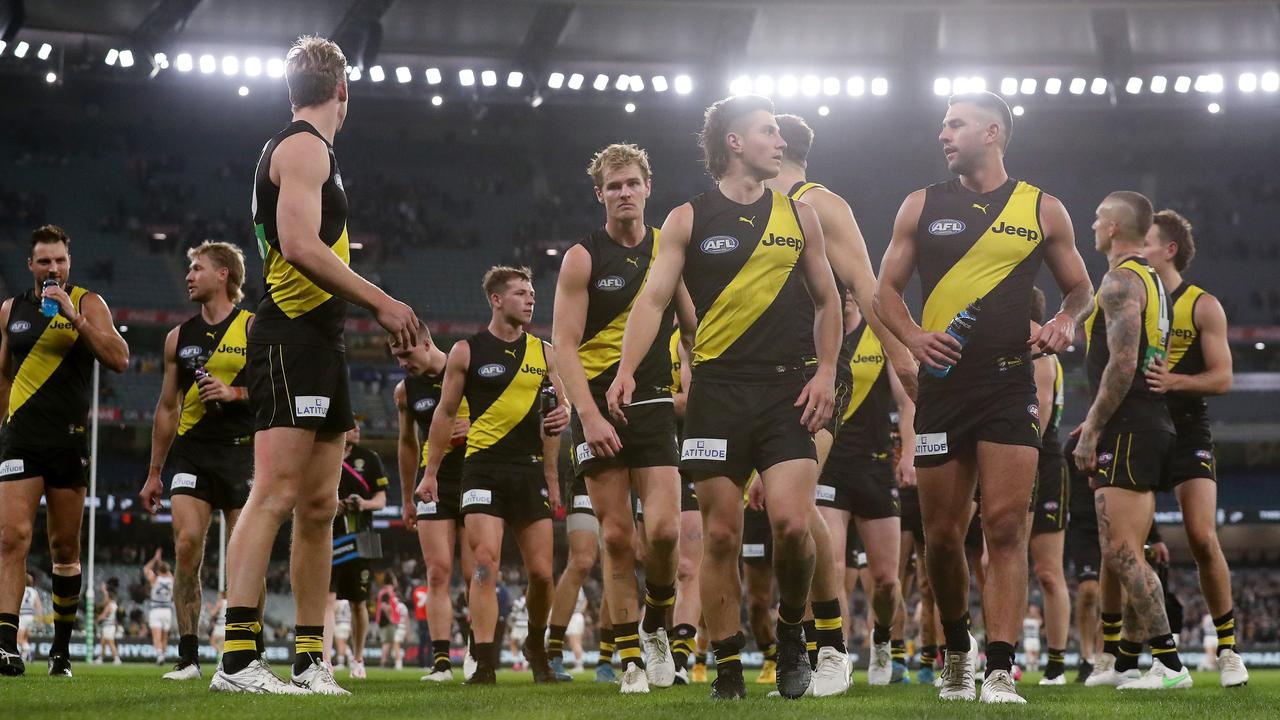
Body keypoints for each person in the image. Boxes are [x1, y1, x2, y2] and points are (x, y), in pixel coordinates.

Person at [609, 94, 842, 700]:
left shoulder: (801, 216)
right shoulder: (688, 218)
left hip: (787, 390)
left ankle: (793, 638)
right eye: (767, 131)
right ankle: (730, 666)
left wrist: (825, 372)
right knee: (719, 536)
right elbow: (653, 301)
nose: (779, 141)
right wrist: (628, 368)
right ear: (734, 142)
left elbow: (828, 301)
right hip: (716, 391)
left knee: (792, 526)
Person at [212, 35, 419, 696]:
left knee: (320, 506)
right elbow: (299, 244)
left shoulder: (311, 151)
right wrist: (383, 301)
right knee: (272, 491)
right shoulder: (302, 147)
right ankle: (238, 659)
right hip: (289, 338)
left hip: (320, 342)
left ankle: (309, 659)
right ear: (343, 92)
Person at [874, 91, 1093, 704]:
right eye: (943, 124)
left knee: (1003, 527)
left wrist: (1068, 321)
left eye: (955, 124)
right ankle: (956, 650)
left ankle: (999, 668)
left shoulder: (1043, 209)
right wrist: (914, 336)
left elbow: (1080, 287)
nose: (943, 134)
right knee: (943, 538)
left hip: (1008, 383)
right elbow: (883, 293)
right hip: (943, 388)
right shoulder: (919, 205)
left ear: (992, 132)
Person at [765, 114, 919, 696]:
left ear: (776, 146)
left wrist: (903, 358)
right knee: (756, 524)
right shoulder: (739, 208)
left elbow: (866, 283)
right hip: (751, 378)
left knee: (799, 511)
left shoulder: (819, 203)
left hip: (816, 375)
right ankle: (730, 657)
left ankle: (828, 646)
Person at [552, 143, 696, 693]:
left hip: (656, 404)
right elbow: (563, 344)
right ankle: (632, 659)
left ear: (647, 188)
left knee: (662, 533)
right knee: (616, 539)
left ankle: (657, 628)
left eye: (632, 183)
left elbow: (690, 324)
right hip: (597, 410)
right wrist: (587, 416)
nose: (624, 193)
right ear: (600, 195)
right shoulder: (581, 257)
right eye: (614, 186)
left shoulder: (669, 250)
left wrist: (693, 377)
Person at [418, 266, 570, 684]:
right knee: (484, 563)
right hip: (482, 469)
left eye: (532, 292)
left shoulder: (546, 353)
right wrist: (430, 474)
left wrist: (556, 468)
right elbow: (444, 415)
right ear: (497, 300)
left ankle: (535, 645)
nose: (531, 298)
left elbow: (558, 412)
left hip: (530, 469)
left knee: (542, 574)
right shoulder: (466, 351)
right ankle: (483, 662)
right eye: (522, 292)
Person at [0, 224, 130, 678]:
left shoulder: (89, 302)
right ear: (30, 265)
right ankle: (5, 645)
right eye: (44, 260)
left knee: (64, 547)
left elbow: (119, 357)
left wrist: (74, 317)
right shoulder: (10, 310)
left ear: (68, 263)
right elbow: (3, 376)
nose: (52, 267)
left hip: (68, 441)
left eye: (59, 260)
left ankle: (60, 650)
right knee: (11, 537)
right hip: (20, 438)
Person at [1073, 191, 1189, 691]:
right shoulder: (1153, 281)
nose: (1092, 224)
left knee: (1122, 551)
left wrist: (1094, 425)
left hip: (1128, 425)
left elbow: (1123, 364)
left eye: (1099, 217)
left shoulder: (1120, 278)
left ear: (1116, 227)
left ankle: (1169, 664)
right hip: (1147, 421)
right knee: (1122, 547)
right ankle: (1124, 662)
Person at [139, 240, 259, 680]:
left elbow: (272, 390)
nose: (189, 275)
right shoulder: (178, 337)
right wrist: (154, 472)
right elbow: (167, 408)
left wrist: (234, 393)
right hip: (191, 453)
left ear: (224, 274)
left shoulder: (252, 327)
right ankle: (188, 657)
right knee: (187, 544)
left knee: (245, 556)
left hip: (242, 453)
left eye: (197, 268)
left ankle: (250, 652)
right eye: (188, 269)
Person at [1140, 209, 1247, 688]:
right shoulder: (1132, 296)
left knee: (1202, 537)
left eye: (1147, 241)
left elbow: (1223, 377)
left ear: (1170, 249)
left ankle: (1228, 650)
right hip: (1139, 430)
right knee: (1125, 545)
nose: (1137, 248)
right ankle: (1122, 657)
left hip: (1186, 430)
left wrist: (1174, 381)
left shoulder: (1203, 304)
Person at [810, 290, 916, 687]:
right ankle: (833, 654)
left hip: (875, 467)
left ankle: (884, 640)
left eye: (852, 289)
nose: (847, 296)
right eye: (839, 290)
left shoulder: (878, 334)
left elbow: (906, 401)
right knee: (832, 567)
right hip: (830, 467)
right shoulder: (818, 335)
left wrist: (907, 453)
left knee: (887, 580)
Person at [391, 332, 472, 682]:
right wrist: (406, 497)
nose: (403, 363)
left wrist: (477, 426)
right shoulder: (405, 390)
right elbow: (407, 444)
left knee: (476, 575)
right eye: (396, 357)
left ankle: (476, 651)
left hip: (475, 477)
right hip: (432, 485)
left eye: (407, 353)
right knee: (437, 572)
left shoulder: (469, 369)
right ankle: (442, 663)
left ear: (426, 342)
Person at [1028, 287, 1071, 685]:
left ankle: (1056, 663)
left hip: (1042, 461)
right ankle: (999, 654)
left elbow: (1037, 416)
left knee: (1048, 571)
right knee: (992, 561)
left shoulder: (1039, 346)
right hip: (1016, 457)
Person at [325, 420, 386, 677]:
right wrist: (331, 504)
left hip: (362, 538)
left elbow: (381, 500)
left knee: (358, 603)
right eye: (351, 425)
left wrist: (363, 503)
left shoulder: (370, 459)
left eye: (360, 426)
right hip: (329, 537)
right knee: (326, 600)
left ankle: (358, 659)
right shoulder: (324, 452)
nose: (357, 429)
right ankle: (325, 660)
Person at [145, 550, 177, 665]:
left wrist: (155, 559)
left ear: (158, 570)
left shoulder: (155, 579)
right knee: (164, 636)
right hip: (167, 611)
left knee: (156, 635)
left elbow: (146, 569)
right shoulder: (171, 580)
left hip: (156, 609)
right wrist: (164, 566)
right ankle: (163, 654)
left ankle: (159, 655)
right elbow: (169, 574)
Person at [18, 574, 42, 662]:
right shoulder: (34, 591)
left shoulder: (20, 589)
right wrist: (40, 620)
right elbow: (38, 606)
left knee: (19, 639)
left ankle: (29, 650)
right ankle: (24, 658)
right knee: (25, 639)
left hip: (22, 616)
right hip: (31, 617)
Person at [96, 586, 122, 665]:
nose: (105, 599)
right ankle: (100, 658)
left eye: (106, 597)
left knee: (111, 643)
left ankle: (117, 659)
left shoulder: (109, 605)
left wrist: (97, 619)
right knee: (103, 642)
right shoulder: (114, 604)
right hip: (110, 626)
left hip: (108, 626)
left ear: (109, 598)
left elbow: (103, 615)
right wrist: (104, 590)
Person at [410, 580, 430, 669]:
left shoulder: (416, 591)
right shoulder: (429, 591)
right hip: (428, 619)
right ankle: (430, 663)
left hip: (419, 619)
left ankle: (421, 663)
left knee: (421, 643)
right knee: (430, 643)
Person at [1022, 604, 1044, 671]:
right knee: (1028, 653)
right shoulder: (1025, 619)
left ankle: (1035, 669)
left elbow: (1041, 622)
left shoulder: (1037, 619)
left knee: (1036, 654)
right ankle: (1028, 668)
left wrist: (1037, 613)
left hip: (1035, 638)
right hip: (1027, 638)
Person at [332, 598, 351, 668]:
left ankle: (341, 663)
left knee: (340, 643)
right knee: (344, 643)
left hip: (339, 623)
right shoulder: (347, 601)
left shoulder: (338, 600)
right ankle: (351, 657)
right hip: (347, 624)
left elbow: (334, 610)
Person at [210, 592, 228, 661]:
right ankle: (222, 655)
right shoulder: (228, 603)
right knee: (223, 643)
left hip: (219, 624)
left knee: (213, 641)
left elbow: (213, 613)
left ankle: (220, 655)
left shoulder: (220, 602)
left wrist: (211, 609)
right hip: (225, 624)